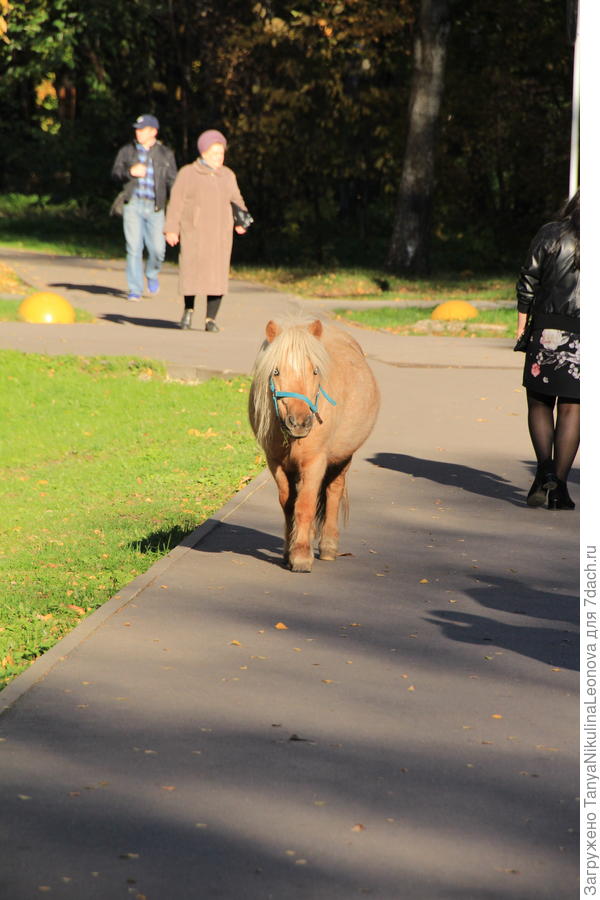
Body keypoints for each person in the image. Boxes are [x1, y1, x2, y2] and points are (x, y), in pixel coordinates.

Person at [516, 190, 580, 510]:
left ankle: (543, 471)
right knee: (573, 408)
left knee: (539, 402)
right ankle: (559, 489)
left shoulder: (551, 233)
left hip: (547, 328)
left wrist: (522, 323)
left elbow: (528, 279)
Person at [164, 129, 248, 332]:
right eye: (215, 153)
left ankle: (211, 319)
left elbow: (237, 200)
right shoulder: (187, 173)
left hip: (220, 235)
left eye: (221, 153)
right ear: (203, 153)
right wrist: (171, 229)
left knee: (217, 277)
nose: (219, 158)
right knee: (191, 274)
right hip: (194, 233)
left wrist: (242, 220)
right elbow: (176, 203)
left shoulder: (228, 175)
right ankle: (188, 310)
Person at [111, 114, 177, 301]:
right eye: (137, 129)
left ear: (153, 132)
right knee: (134, 247)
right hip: (132, 204)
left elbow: (174, 181)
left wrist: (178, 204)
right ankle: (135, 289)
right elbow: (115, 173)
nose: (138, 133)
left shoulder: (166, 154)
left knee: (158, 249)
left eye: (142, 130)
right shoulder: (127, 151)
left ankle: (152, 273)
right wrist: (129, 172)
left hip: (156, 207)